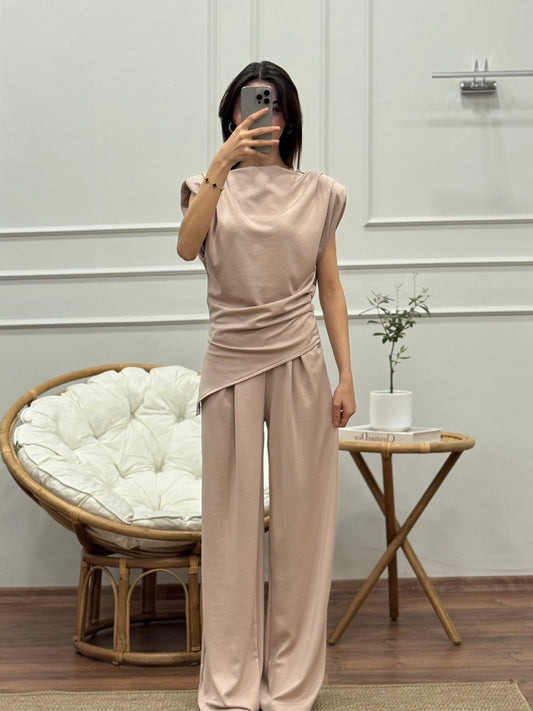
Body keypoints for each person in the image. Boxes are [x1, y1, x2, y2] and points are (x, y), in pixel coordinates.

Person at [178, 60, 356, 711]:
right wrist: (221, 163)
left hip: (301, 363)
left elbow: (329, 286)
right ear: (232, 113)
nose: (265, 116)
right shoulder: (204, 186)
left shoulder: (320, 193)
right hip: (230, 363)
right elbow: (186, 247)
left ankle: (290, 682)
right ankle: (230, 682)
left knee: (302, 527)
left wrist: (346, 373)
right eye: (254, 104)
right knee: (229, 529)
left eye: (276, 106)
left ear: (291, 118)